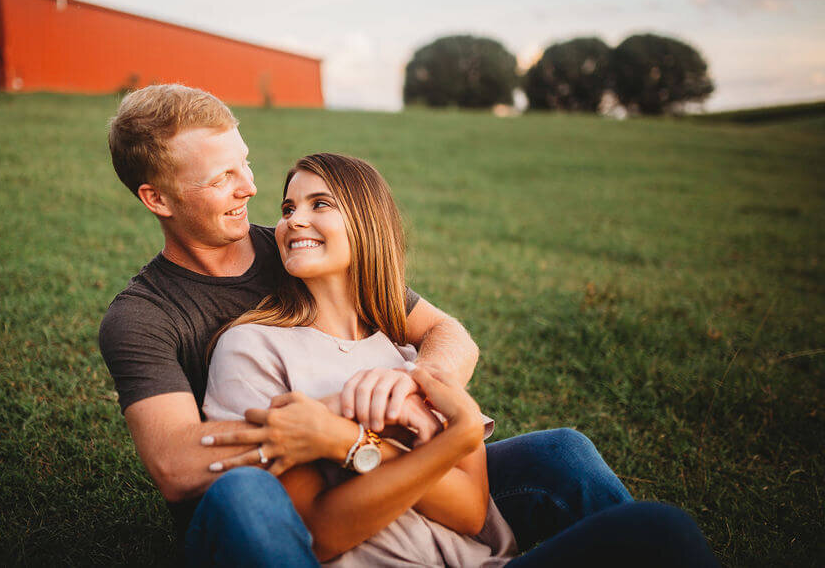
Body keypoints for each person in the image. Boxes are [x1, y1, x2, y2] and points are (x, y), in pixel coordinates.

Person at [97, 84, 698, 566]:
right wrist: (327, 425)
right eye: (220, 178)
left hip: (391, 478)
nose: (250, 189)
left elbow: (448, 336)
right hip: (269, 513)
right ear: (158, 199)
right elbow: (177, 467)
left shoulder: (301, 253)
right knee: (242, 494)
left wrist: (410, 392)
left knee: (568, 458)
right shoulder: (145, 315)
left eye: (245, 165)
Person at [203, 153, 719, 567]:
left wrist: (350, 442)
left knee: (660, 528)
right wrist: (449, 436)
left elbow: (471, 513)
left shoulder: (408, 355)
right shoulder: (253, 346)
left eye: (320, 204)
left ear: (367, 223)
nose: (294, 221)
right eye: (289, 207)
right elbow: (318, 535)